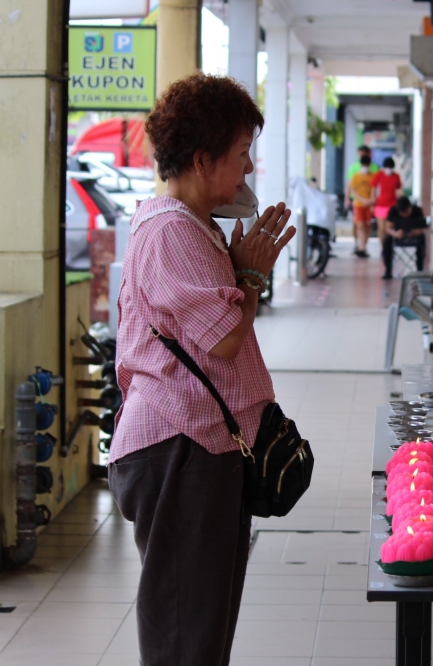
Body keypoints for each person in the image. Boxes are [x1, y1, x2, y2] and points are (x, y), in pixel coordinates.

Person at [108, 73, 296, 666]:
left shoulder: (192, 226)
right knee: (186, 634)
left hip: (195, 447)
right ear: (202, 158)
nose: (245, 173)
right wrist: (253, 276)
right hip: (177, 449)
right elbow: (224, 338)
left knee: (203, 624)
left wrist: (238, 267)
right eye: (240, 157)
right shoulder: (171, 231)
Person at [382, 196, 428, 280]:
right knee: (387, 240)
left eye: (406, 212)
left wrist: (414, 233)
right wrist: (395, 233)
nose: (404, 215)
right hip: (398, 237)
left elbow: (422, 230)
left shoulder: (417, 210)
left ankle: (420, 271)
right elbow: (388, 228)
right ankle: (388, 270)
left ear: (410, 207)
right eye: (402, 213)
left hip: (414, 237)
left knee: (422, 240)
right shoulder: (393, 210)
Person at [372, 156, 403, 250]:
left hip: (392, 206)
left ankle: (389, 247)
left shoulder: (396, 176)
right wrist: (373, 204)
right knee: (381, 228)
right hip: (380, 205)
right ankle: (383, 247)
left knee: (389, 228)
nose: (388, 170)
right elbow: (373, 190)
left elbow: (398, 190)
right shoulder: (378, 175)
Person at [347, 154, 375, 258]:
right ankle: (361, 246)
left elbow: (374, 190)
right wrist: (362, 200)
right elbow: (352, 190)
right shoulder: (356, 176)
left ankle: (363, 246)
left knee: (368, 226)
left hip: (369, 204)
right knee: (360, 225)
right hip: (358, 204)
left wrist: (371, 201)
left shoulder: (372, 176)